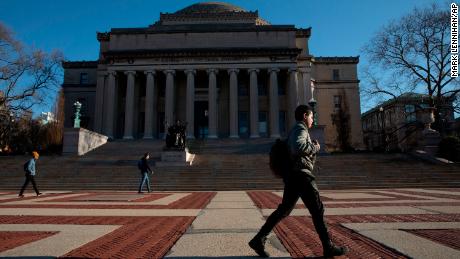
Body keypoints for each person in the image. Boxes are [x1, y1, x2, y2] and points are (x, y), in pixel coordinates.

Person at [249, 105, 347, 258]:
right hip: (302, 176)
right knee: (317, 210)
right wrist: (314, 147)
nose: (312, 120)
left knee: (284, 210)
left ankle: (258, 239)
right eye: (311, 117)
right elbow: (298, 147)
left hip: (293, 176)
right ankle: (328, 247)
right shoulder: (300, 129)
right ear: (304, 116)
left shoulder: (297, 129)